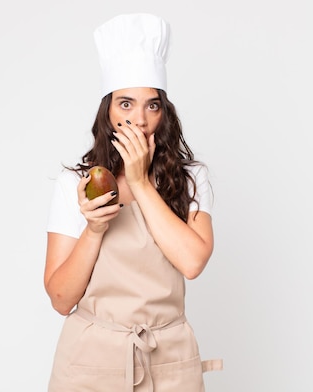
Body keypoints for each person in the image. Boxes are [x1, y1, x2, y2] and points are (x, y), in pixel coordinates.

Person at [44, 13, 222, 391]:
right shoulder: (74, 184)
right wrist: (94, 228)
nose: (139, 120)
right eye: (126, 104)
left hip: (169, 358)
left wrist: (140, 182)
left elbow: (192, 262)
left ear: (164, 113)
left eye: (152, 105)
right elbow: (61, 299)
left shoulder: (191, 178)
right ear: (107, 111)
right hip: (90, 361)